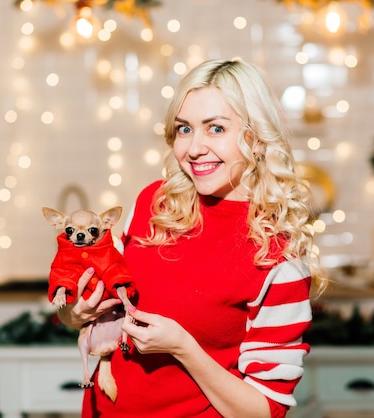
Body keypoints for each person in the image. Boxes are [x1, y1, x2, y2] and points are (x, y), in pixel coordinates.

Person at [57, 58, 325, 418]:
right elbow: (87, 310)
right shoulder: (153, 202)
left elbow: (264, 409)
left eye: (215, 129)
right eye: (184, 129)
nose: (194, 148)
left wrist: (183, 347)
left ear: (257, 138)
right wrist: (75, 312)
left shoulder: (277, 256)